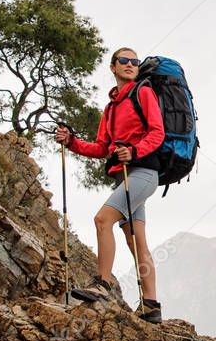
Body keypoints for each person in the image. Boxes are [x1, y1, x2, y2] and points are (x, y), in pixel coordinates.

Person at [55, 47, 165, 323]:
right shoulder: (110, 108)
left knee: (102, 219)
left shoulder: (143, 93)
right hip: (123, 175)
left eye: (134, 61)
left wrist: (135, 151)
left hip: (144, 172)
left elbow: (157, 132)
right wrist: (72, 142)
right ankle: (151, 306)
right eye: (124, 61)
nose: (130, 64)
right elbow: (102, 147)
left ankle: (102, 285)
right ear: (112, 67)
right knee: (135, 240)